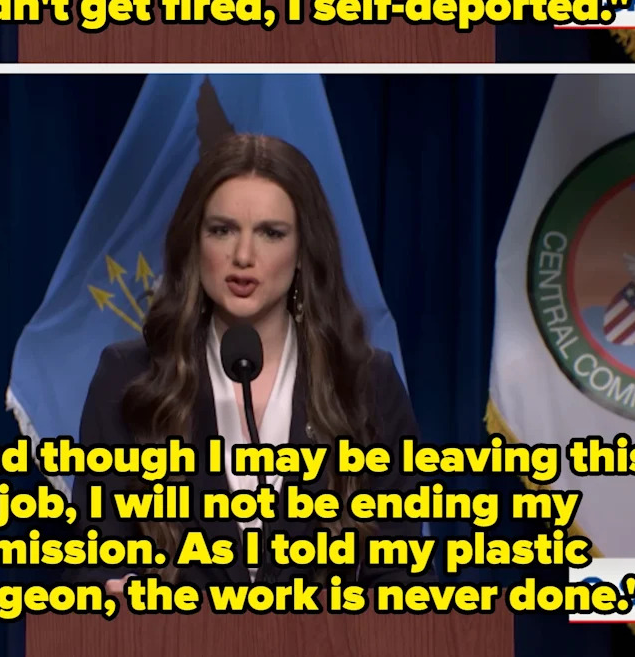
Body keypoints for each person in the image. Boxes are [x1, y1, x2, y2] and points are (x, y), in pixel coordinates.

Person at [70, 133, 430, 590]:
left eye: (270, 233)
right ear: (194, 243)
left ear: (302, 251)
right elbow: (91, 562)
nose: (243, 256)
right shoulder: (129, 379)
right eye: (222, 230)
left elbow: (400, 575)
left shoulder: (365, 384)